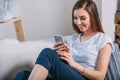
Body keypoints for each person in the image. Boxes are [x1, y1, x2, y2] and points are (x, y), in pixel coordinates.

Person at [14, 0, 114, 80]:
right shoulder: (73, 39)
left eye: (82, 18)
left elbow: (100, 76)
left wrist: (73, 64)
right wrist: (61, 55)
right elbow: (64, 66)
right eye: (75, 18)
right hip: (68, 75)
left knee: (48, 53)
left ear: (92, 17)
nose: (78, 22)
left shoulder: (103, 39)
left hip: (85, 77)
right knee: (23, 75)